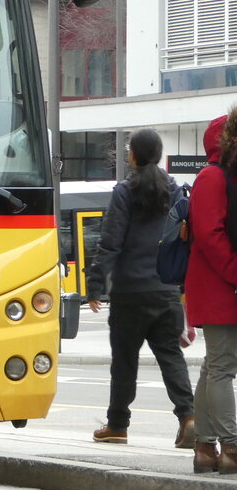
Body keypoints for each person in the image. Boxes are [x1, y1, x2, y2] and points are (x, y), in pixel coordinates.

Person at [86, 128, 195, 448]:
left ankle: (118, 425)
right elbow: (182, 241)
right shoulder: (175, 190)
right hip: (166, 290)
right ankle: (188, 417)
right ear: (159, 156)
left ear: (132, 155)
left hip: (129, 293)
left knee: (124, 360)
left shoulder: (124, 191)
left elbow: (111, 242)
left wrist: (94, 285)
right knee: (171, 357)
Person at [185, 107, 237, 474]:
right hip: (218, 283)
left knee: (214, 366)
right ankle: (232, 447)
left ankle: (205, 447)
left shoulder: (222, 176)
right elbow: (209, 234)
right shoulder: (213, 177)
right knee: (222, 366)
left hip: (221, 282)